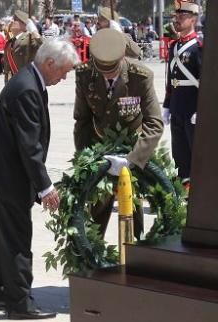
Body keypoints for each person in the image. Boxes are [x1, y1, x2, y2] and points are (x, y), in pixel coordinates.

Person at [0, 40, 79, 320]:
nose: (64, 77)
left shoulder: (30, 81)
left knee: (5, 238)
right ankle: (20, 303)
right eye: (63, 71)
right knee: (18, 239)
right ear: (49, 64)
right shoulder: (27, 89)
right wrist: (46, 188)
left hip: (2, 173)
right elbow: (29, 146)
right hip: (9, 177)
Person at [73, 29, 164, 238]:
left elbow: (154, 123)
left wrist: (133, 159)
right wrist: (87, 160)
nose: (108, 75)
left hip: (133, 150)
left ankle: (137, 257)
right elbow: (83, 121)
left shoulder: (139, 76)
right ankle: (92, 260)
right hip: (100, 150)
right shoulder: (85, 75)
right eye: (103, 71)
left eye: (112, 70)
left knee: (133, 215)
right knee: (95, 215)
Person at [163, 2, 203, 189]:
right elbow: (171, 79)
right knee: (178, 152)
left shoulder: (199, 47)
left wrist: (201, 109)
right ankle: (183, 187)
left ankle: (197, 190)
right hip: (177, 106)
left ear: (193, 19)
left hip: (192, 108)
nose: (177, 20)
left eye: (182, 16)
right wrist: (166, 105)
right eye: (176, 16)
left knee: (194, 151)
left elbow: (204, 82)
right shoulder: (173, 46)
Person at [4, 10, 42, 82]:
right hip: (12, 83)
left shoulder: (30, 39)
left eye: (15, 19)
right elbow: (7, 69)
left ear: (24, 24)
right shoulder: (9, 43)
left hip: (26, 81)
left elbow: (43, 45)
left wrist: (34, 31)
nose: (11, 21)